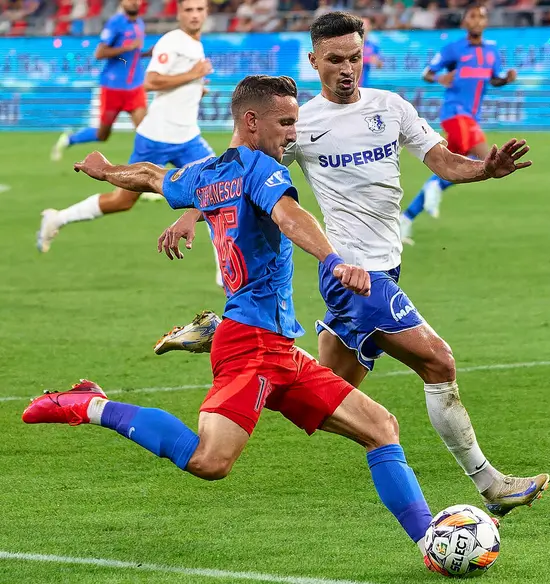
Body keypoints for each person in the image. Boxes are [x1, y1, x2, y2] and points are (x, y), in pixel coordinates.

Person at [23, 75, 438, 564]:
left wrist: (109, 170)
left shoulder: (209, 171)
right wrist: (332, 259)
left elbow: (154, 177)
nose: (293, 133)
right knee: (210, 460)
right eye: (285, 123)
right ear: (251, 121)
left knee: (381, 426)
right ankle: (91, 405)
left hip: (278, 348)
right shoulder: (262, 170)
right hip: (251, 348)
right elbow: (288, 217)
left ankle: (432, 542)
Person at [156, 12, 549, 518]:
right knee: (438, 362)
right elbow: (242, 167)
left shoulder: (392, 107)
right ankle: (491, 483)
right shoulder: (300, 124)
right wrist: (193, 213)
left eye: (355, 57)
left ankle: (221, 331)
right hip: (351, 276)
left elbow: (443, 160)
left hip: (387, 269)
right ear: (314, 60)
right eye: (335, 59)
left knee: (316, 388)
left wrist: (484, 170)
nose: (347, 69)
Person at [37, 0, 217, 273]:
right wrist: (194, 74)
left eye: (199, 10)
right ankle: (57, 219)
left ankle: (223, 275)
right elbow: (151, 81)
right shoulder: (172, 41)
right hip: (156, 136)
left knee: (220, 191)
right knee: (122, 200)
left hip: (188, 137)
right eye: (188, 10)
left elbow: (176, 82)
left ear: (206, 13)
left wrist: (195, 86)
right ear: (178, 13)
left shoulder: (194, 43)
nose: (194, 15)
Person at [400, 4, 518, 244]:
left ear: (486, 23)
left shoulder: (492, 51)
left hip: (470, 116)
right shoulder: (454, 48)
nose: (477, 20)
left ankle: (408, 217)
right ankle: (436, 184)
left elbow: (493, 79)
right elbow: (427, 73)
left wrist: (505, 79)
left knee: (476, 162)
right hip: (454, 113)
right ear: (465, 22)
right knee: (484, 160)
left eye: (482, 16)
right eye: (473, 16)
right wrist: (440, 77)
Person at [51, 0, 150, 162]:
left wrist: (146, 53)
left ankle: (144, 177)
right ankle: (70, 139)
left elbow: (132, 55)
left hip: (135, 87)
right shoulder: (115, 23)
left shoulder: (139, 23)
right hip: (113, 88)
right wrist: (126, 48)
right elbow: (99, 53)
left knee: (147, 132)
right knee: (102, 135)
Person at [358, 16, 383, 88]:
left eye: (365, 25)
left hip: (367, 84)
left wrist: (377, 62)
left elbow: (380, 65)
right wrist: (368, 59)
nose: (363, 28)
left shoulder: (373, 45)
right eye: (361, 25)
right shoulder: (352, 44)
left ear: (370, 27)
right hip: (353, 84)